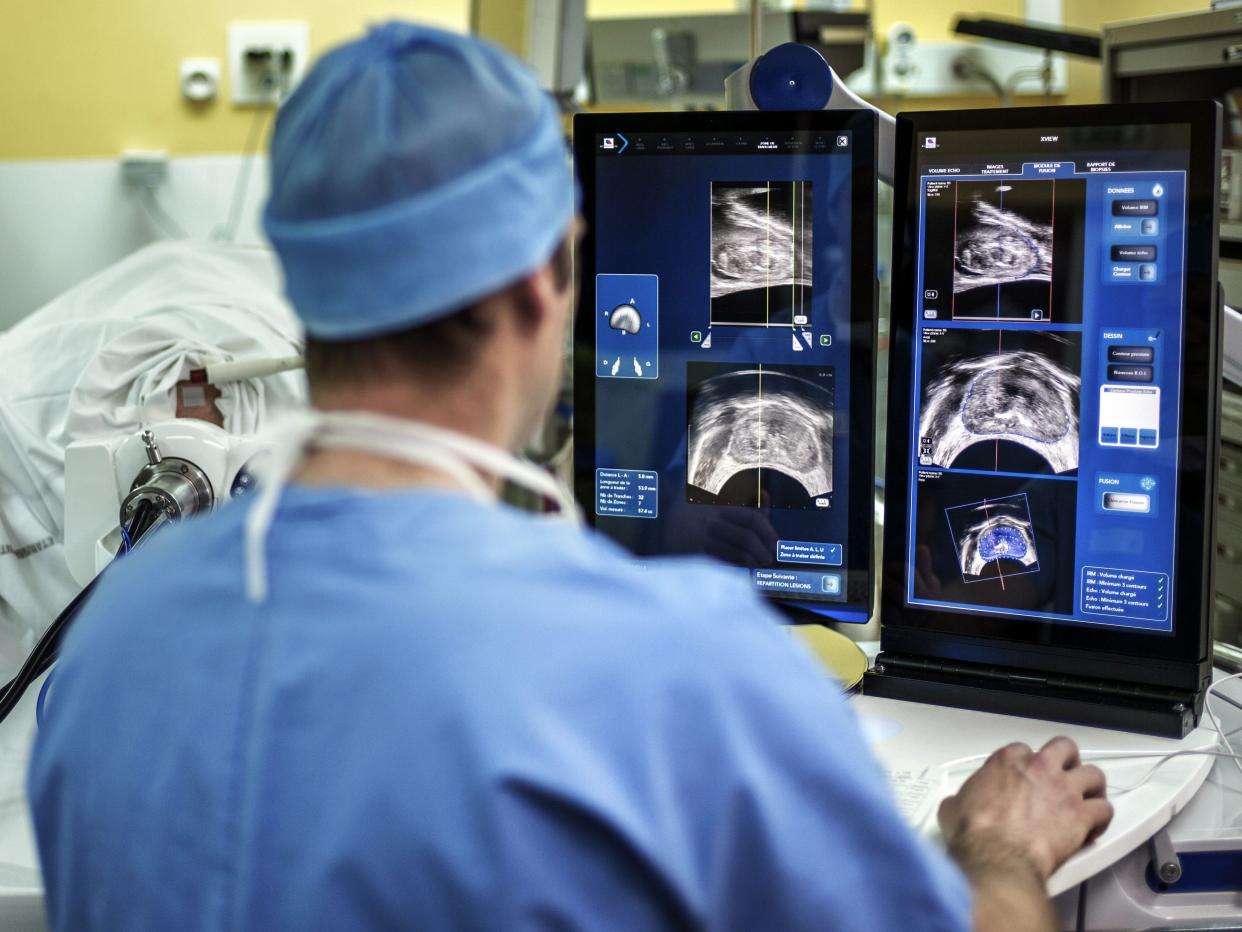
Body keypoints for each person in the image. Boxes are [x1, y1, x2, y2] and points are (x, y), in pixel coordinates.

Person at [27, 22, 1111, 932]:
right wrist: (1001, 847)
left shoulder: (113, 645)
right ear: (552, 282)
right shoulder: (683, 672)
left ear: (304, 295)